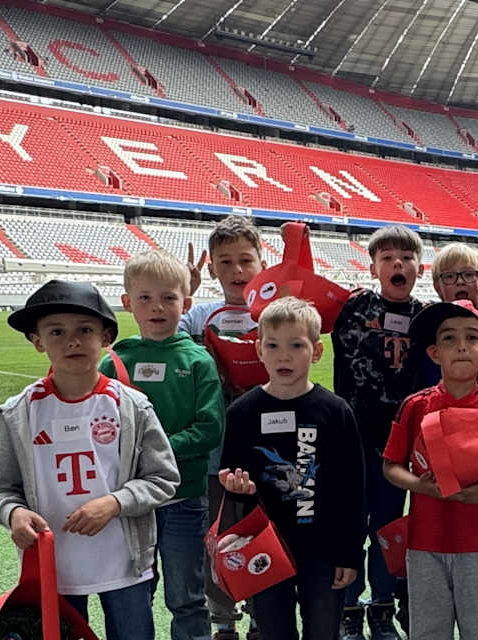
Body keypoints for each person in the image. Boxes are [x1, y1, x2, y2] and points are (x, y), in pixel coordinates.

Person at [0, 280, 180, 640]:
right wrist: (14, 513)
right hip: (54, 568)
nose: (72, 340)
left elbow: (163, 478)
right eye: (56, 331)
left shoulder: (133, 407)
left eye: (84, 330)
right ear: (37, 341)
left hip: (125, 563)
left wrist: (114, 503)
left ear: (105, 338)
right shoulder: (16, 415)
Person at [220, 296, 365, 640]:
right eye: (273, 345)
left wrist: (350, 553)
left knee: (323, 631)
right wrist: (236, 486)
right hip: (266, 546)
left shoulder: (335, 411)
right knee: (273, 631)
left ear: (316, 351)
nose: (283, 355)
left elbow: (353, 489)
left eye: (295, 345)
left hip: (324, 549)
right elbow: (231, 474)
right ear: (258, 350)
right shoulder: (242, 412)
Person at [99, 250, 225, 640]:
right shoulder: (115, 361)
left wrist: (153, 450)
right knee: (132, 595)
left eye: (169, 298)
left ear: (185, 303)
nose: (158, 307)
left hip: (183, 496)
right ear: (127, 303)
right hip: (130, 501)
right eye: (145, 298)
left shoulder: (198, 360)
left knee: (186, 596)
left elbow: (209, 429)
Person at [382, 300, 478, 640]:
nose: (461, 345)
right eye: (449, 338)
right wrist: (422, 485)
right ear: (433, 353)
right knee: (428, 631)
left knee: (477, 630)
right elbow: (391, 467)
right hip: (425, 541)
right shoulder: (416, 406)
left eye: (471, 337)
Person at [331, 224, 427, 640]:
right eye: (387, 257)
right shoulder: (354, 308)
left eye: (405, 258)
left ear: (419, 269)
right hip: (354, 435)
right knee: (351, 524)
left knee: (388, 528)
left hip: (398, 442)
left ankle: (382, 607)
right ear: (373, 267)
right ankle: (349, 605)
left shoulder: (425, 317)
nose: (397, 264)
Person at [179, 215, 267, 640]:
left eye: (245, 260)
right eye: (225, 261)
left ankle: (261, 613)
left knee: (262, 532)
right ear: (211, 266)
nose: (236, 271)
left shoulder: (272, 312)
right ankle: (222, 620)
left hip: (267, 448)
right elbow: (166, 345)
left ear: (261, 263)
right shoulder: (197, 317)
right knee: (216, 535)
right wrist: (182, 299)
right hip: (213, 453)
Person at [416, 242, 478, 392]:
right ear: (437, 287)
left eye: (469, 274)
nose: (460, 281)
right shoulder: (424, 330)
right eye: (449, 276)